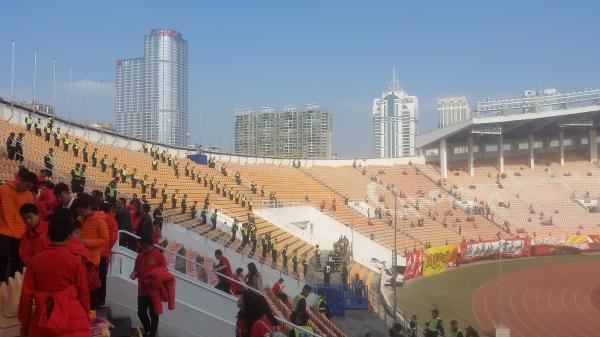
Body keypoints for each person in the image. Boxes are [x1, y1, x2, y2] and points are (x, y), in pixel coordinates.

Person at [18, 208, 91, 337]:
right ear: (69, 236)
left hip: (44, 316)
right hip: (74, 317)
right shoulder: (74, 261)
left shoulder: (35, 261)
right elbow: (83, 293)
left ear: (49, 235)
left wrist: (25, 323)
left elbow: (26, 297)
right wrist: (84, 315)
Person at [72, 194, 109, 309]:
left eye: (82, 211)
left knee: (90, 289)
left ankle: (92, 311)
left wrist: (86, 242)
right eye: (78, 211)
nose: (80, 214)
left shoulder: (100, 222)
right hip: (78, 258)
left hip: (92, 261)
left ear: (89, 207)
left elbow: (105, 239)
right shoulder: (79, 219)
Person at [0, 168, 36, 282]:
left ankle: (12, 285)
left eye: (29, 187)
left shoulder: (29, 196)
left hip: (21, 233)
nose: (27, 189)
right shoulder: (3, 189)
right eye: (26, 186)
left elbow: (31, 215)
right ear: (20, 179)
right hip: (3, 230)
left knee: (18, 260)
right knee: (2, 257)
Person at [131, 235, 166, 337]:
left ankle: (152, 333)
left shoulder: (159, 256)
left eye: (146, 247)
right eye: (142, 247)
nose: (144, 250)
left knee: (153, 314)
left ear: (151, 245)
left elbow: (164, 272)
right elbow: (136, 269)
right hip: (142, 290)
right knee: (141, 312)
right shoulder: (139, 256)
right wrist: (134, 274)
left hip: (155, 291)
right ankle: (148, 329)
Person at [99, 201, 118, 308]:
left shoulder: (95, 218)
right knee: (102, 277)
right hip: (104, 253)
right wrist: (109, 251)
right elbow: (113, 239)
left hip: (93, 251)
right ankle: (101, 299)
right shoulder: (112, 222)